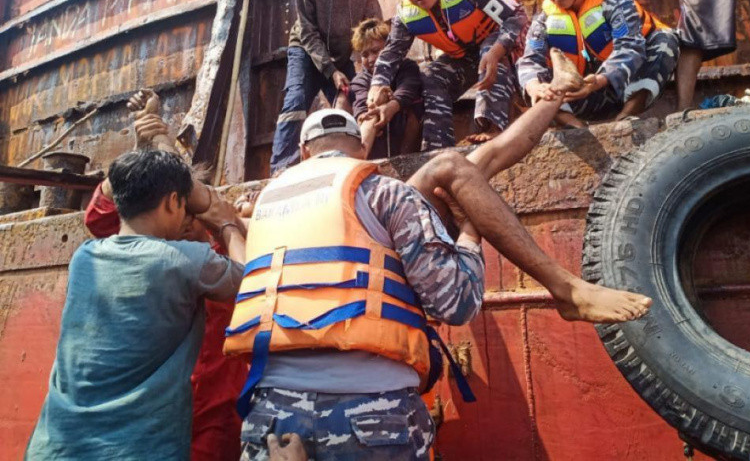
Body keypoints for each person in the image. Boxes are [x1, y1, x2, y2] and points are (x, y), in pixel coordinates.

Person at [231, 107, 652, 460]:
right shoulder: (386, 194)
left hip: (271, 419)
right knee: (461, 167)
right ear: (362, 149)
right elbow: (457, 305)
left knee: (464, 166)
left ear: (303, 153)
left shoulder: (262, 212)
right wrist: (469, 237)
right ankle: (568, 289)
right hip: (370, 415)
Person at [25, 149, 246, 460]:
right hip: (139, 447)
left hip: (55, 445)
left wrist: (153, 162)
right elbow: (254, 277)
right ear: (172, 202)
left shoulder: (84, 256)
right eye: (185, 207)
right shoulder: (187, 261)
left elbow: (109, 209)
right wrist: (226, 222)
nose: (186, 220)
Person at [83, 89, 248, 461]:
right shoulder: (156, 251)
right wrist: (145, 149)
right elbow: (101, 216)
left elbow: (250, 285)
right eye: (176, 209)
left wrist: (229, 224)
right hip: (157, 411)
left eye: (191, 213)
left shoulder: (214, 253)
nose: (183, 223)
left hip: (217, 409)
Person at [367, 0, 527, 149]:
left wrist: (498, 49)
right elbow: (391, 53)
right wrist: (377, 83)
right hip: (464, 58)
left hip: (503, 46)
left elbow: (517, 16)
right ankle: (438, 146)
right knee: (430, 75)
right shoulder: (407, 13)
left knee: (488, 51)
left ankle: (491, 126)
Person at [518, 0, 679, 128]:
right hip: (583, 97)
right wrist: (533, 86)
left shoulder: (614, 1)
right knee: (529, 79)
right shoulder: (544, 20)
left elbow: (630, 47)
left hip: (623, 86)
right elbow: (529, 60)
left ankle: (626, 116)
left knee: (666, 39)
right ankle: (576, 127)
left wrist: (599, 81)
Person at [270, 0, 382, 173]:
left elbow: (372, 29)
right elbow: (307, 32)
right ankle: (280, 169)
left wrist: (371, 68)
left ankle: (350, 163)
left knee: (356, 103)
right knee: (295, 100)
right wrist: (331, 71)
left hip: (344, 55)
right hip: (306, 52)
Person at [351, 18, 423, 158]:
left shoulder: (406, 67)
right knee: (370, 112)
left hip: (403, 133)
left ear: (388, 48)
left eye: (375, 51)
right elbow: (361, 105)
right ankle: (361, 157)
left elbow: (407, 89)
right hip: (376, 136)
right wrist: (374, 108)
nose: (371, 59)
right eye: (365, 55)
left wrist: (391, 105)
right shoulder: (359, 81)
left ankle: (405, 160)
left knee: (414, 106)